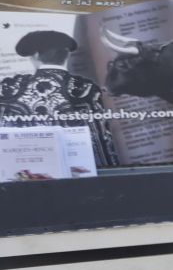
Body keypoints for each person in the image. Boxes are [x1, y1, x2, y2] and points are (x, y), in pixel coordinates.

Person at [0, 29, 117, 167]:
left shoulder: (10, 88)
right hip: (80, 171)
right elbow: (103, 138)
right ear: (65, 56)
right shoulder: (87, 88)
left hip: (25, 172)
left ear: (36, 55)